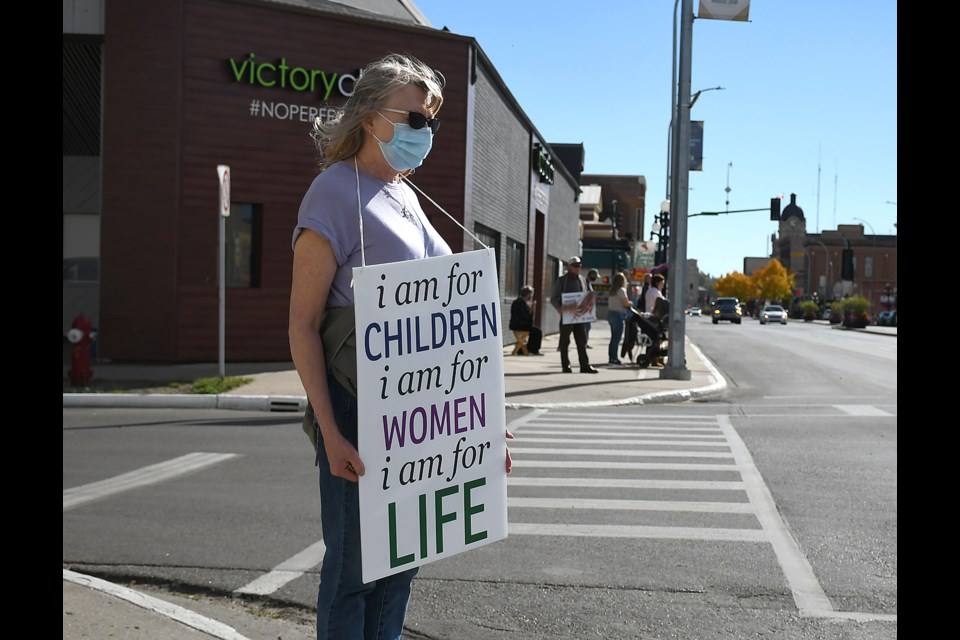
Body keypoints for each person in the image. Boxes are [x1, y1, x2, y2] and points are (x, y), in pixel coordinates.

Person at [288, 53, 512, 640]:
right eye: (415, 118)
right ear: (369, 116)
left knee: (401, 564)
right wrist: (332, 432)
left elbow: (449, 308)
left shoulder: (407, 197)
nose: (426, 133)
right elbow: (303, 326)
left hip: (416, 413)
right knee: (353, 572)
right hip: (357, 409)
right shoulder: (332, 193)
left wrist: (482, 423)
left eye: (432, 122)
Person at [550, 257, 598, 373]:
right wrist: (559, 309)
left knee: (582, 341)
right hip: (567, 315)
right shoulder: (562, 280)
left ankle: (584, 365)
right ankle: (565, 365)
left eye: (579, 266)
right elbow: (554, 298)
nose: (578, 268)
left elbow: (585, 297)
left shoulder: (582, 280)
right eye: (575, 266)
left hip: (580, 317)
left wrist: (590, 311)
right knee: (565, 341)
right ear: (569, 267)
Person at [606, 272, 634, 365]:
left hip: (611, 314)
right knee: (617, 338)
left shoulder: (612, 290)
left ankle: (611, 356)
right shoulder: (621, 290)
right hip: (618, 315)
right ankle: (614, 358)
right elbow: (626, 303)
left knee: (613, 337)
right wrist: (630, 303)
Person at [509, 285, 542, 355]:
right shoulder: (519, 303)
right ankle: (533, 349)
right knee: (537, 332)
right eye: (531, 294)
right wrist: (532, 308)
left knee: (535, 330)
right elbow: (527, 317)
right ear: (528, 295)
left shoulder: (522, 303)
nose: (531, 296)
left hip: (521, 324)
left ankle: (522, 349)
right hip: (518, 325)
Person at [584, 268, 599, 347]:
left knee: (587, 327)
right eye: (595, 276)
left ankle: (585, 342)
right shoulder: (585, 283)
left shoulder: (589, 283)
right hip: (585, 309)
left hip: (588, 309)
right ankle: (583, 342)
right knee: (585, 327)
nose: (596, 279)